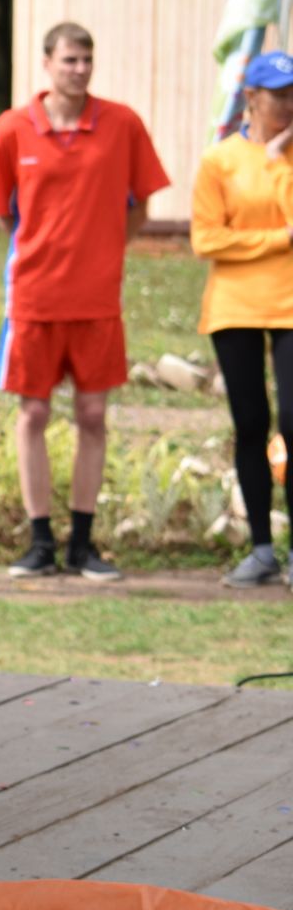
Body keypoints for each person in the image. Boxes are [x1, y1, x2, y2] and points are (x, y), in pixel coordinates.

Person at [0, 22, 169, 581]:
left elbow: (141, 208)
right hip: (34, 298)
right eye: (69, 60)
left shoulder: (122, 123)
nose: (80, 69)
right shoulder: (11, 129)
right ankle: (39, 541)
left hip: (97, 299)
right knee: (33, 413)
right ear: (47, 63)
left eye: (87, 59)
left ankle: (83, 544)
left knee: (92, 415)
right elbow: (2, 212)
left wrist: (101, 247)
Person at [190, 49, 293, 589]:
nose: (289, 104)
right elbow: (208, 239)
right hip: (234, 308)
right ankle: (261, 549)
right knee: (250, 425)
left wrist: (277, 163)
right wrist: (277, 240)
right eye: (279, 94)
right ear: (251, 97)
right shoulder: (220, 160)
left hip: (290, 306)